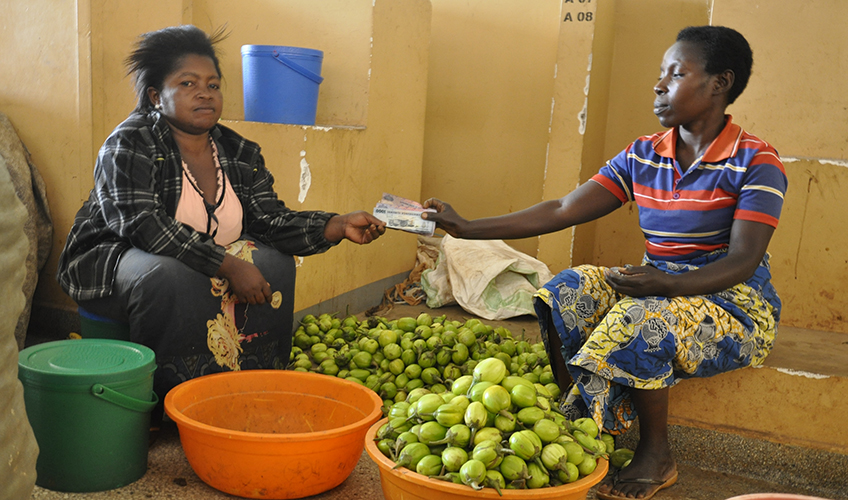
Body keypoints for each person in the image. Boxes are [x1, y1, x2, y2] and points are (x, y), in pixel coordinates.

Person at [422, 26, 786, 500]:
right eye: (661, 73)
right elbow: (561, 209)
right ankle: (582, 423)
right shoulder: (643, 153)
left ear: (719, 84)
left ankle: (657, 453)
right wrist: (468, 227)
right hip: (662, 283)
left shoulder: (756, 160)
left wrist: (667, 285)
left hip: (733, 300)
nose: (658, 85)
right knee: (564, 290)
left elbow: (742, 260)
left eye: (676, 74)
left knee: (643, 315)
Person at [57, 25, 385, 417]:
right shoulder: (130, 142)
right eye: (188, 83)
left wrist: (334, 225)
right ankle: (174, 403)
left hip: (196, 259)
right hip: (116, 262)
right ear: (155, 96)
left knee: (273, 264)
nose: (204, 93)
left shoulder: (238, 150)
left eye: (213, 85)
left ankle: (251, 386)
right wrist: (227, 265)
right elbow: (142, 225)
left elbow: (268, 219)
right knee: (167, 274)